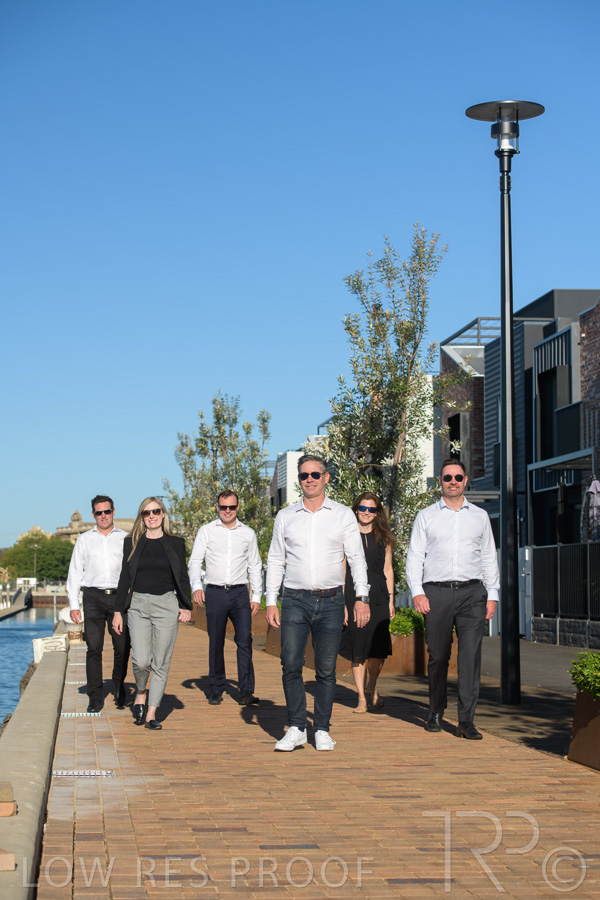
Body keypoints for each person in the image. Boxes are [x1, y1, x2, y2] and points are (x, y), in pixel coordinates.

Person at [266, 454, 370, 752]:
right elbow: (276, 560)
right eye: (304, 475)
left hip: (332, 600)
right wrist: (271, 600)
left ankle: (321, 729)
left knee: (326, 669)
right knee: (290, 664)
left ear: (326, 477)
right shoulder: (286, 516)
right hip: (295, 599)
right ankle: (297, 727)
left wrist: (361, 598)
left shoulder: (342, 515)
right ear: (299, 480)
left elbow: (357, 558)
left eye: (315, 474)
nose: (309, 480)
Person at [406, 460, 499, 740]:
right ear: (441, 481)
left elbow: (488, 556)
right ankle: (435, 711)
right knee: (438, 656)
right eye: (448, 478)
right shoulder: (426, 516)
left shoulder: (480, 516)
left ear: (466, 480)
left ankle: (466, 721)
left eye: (458, 477)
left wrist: (492, 594)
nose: (453, 482)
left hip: (472, 593)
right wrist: (417, 591)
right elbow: (415, 555)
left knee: (470, 657)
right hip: (436, 592)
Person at [112, 497, 192, 730]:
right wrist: (118, 611)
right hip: (137, 605)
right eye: (146, 513)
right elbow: (124, 578)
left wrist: (186, 605)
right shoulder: (132, 542)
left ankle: (151, 713)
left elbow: (182, 576)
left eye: (156, 511)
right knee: (141, 661)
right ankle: (140, 692)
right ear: (142, 517)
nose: (152, 516)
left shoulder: (176, 543)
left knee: (161, 662)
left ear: (163, 514)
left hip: (166, 605)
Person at [188, 490, 262, 707]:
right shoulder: (206, 531)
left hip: (240, 594)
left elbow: (255, 565)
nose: (227, 511)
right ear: (217, 507)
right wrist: (196, 587)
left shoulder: (248, 533)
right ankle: (216, 689)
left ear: (237, 507)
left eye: (231, 507)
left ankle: (246, 691)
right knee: (216, 642)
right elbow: (195, 561)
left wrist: (257, 595)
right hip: (215, 592)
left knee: (245, 641)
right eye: (223, 507)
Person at [67, 495, 130, 713]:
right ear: (93, 515)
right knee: (94, 648)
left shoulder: (125, 538)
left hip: (119, 598)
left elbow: (132, 570)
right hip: (93, 597)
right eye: (99, 512)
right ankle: (95, 696)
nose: (103, 516)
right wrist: (74, 604)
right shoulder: (84, 540)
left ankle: (119, 685)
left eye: (107, 511)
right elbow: (75, 572)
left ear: (113, 512)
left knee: (122, 646)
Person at [343, 493, 395, 713]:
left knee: (377, 649)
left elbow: (388, 569)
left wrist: (391, 599)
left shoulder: (384, 537)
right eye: (363, 508)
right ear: (356, 509)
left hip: (379, 596)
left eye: (371, 509)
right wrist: (343, 603)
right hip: (353, 594)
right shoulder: (346, 535)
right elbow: (342, 569)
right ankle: (361, 698)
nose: (366, 513)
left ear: (377, 513)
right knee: (359, 646)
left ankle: (372, 685)